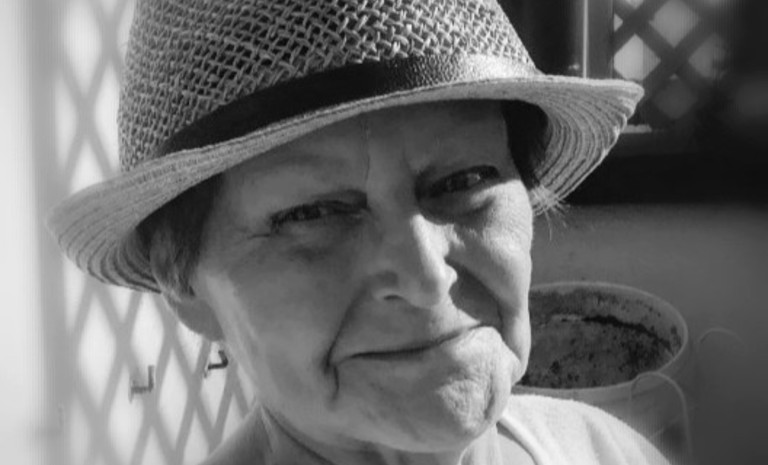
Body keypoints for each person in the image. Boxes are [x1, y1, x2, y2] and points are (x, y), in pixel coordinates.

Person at [47, 0, 668, 464]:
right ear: (182, 283)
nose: (425, 277)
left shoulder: (607, 453)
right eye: (313, 214)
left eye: (465, 179)